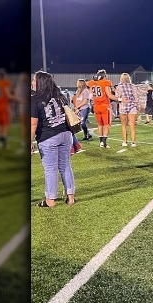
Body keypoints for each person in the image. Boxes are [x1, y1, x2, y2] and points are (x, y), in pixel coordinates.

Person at [30, 70, 76, 207]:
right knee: (66, 166)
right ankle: (71, 198)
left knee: (50, 169)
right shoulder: (60, 96)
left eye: (34, 80)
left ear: (40, 82)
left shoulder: (35, 99)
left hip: (48, 136)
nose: (32, 82)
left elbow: (33, 124)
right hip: (66, 134)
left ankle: (50, 200)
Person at [86, 69, 117, 148]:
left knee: (100, 125)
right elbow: (109, 95)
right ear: (104, 76)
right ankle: (104, 142)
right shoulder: (105, 83)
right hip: (104, 105)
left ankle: (101, 142)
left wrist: (92, 103)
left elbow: (90, 96)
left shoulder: (92, 83)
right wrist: (120, 99)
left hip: (96, 106)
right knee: (106, 125)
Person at [117, 73, 138, 147]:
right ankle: (133, 142)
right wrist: (136, 106)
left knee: (123, 125)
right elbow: (136, 97)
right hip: (132, 106)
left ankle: (125, 141)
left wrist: (121, 99)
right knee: (132, 125)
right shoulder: (133, 86)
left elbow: (117, 97)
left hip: (123, 106)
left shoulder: (119, 87)